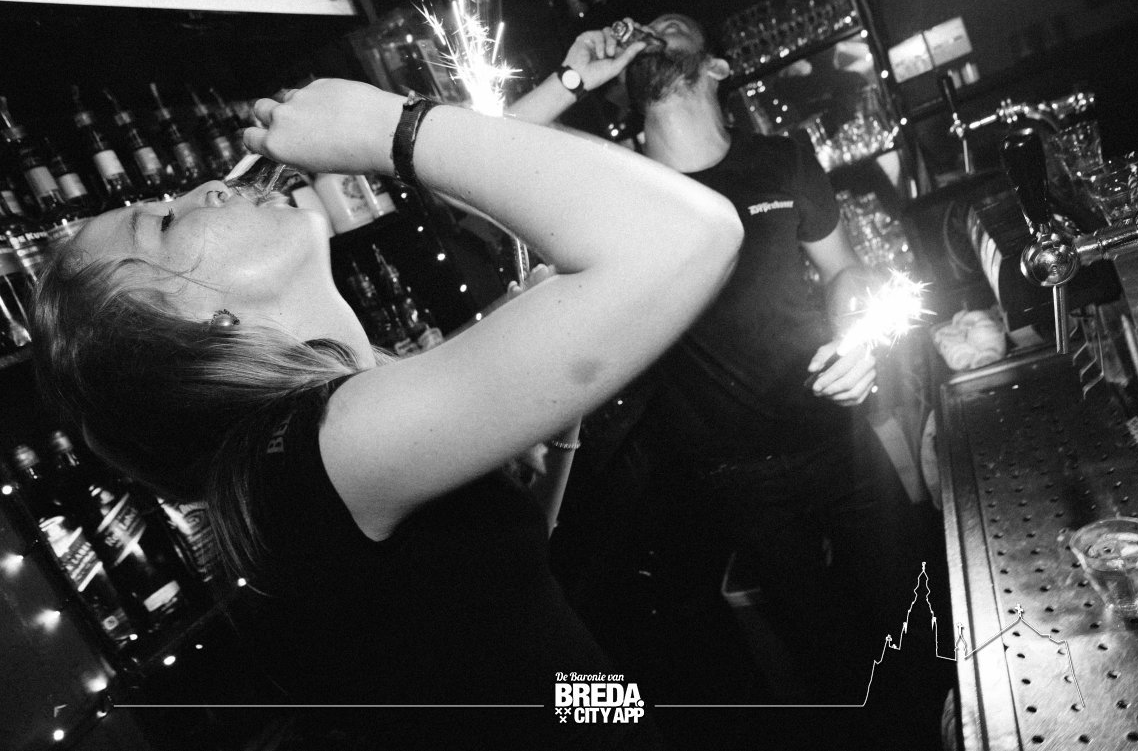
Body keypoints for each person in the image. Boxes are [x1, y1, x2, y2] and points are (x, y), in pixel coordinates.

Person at [30, 78, 742, 748]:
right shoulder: (314, 451)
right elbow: (690, 231)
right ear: (184, 331)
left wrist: (554, 427)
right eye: (161, 223)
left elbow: (502, 582)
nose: (207, 189)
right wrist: (389, 129)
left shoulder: (314, 445)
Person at [509, 15, 950, 746]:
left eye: (672, 26)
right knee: (837, 671)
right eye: (643, 31)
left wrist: (855, 339)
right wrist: (575, 76)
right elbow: (486, 152)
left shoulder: (780, 158)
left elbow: (844, 271)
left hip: (838, 441)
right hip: (735, 480)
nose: (651, 33)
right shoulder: (619, 185)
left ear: (715, 66)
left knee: (924, 625)